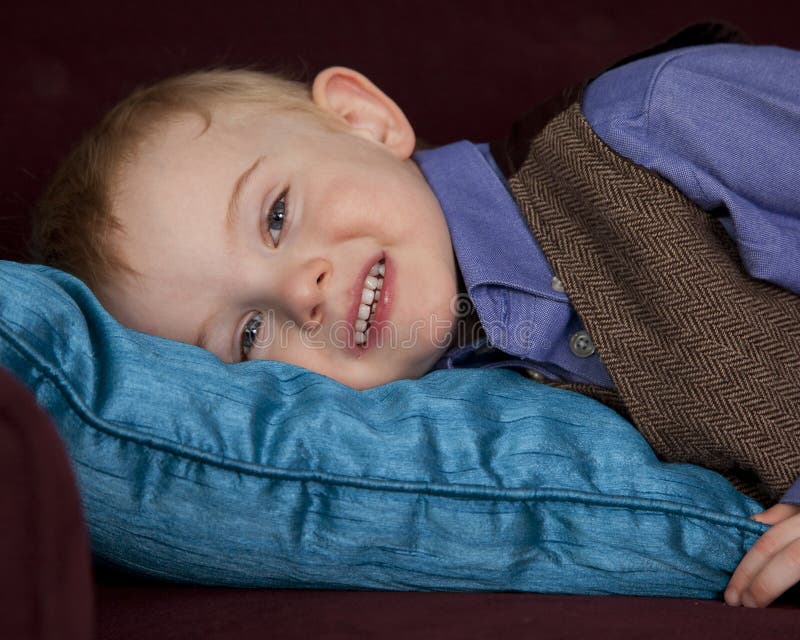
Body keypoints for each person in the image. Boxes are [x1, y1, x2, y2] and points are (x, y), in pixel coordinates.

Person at [31, 26, 800, 607]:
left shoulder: (648, 123)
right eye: (249, 335)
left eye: (275, 215)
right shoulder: (460, 432)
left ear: (363, 121)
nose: (302, 290)